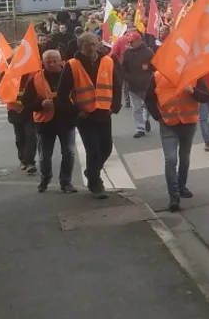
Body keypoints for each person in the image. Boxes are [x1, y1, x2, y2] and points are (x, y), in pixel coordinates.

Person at [55, 31, 122, 199]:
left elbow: (116, 85)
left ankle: (91, 172)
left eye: (93, 44)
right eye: (87, 45)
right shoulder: (72, 65)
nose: (91, 48)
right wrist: (77, 112)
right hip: (85, 116)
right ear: (81, 47)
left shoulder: (108, 61)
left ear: (98, 44)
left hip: (104, 112)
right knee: (93, 150)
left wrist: (114, 107)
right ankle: (96, 183)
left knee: (106, 147)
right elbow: (62, 95)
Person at [146, 68, 209, 212]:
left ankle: (182, 186)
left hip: (188, 123)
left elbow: (206, 96)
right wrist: (158, 116)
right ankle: (174, 196)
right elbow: (149, 98)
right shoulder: (157, 77)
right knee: (171, 159)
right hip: (168, 124)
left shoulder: (194, 75)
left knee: (184, 157)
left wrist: (194, 91)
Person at [24, 49, 78, 193]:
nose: (52, 64)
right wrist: (40, 105)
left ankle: (66, 182)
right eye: (49, 61)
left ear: (61, 60)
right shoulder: (36, 79)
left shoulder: (70, 74)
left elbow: (78, 95)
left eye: (55, 60)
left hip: (66, 121)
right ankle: (45, 177)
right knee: (44, 156)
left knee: (69, 152)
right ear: (43, 62)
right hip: (45, 123)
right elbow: (27, 102)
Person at [3, 67, 37, 175]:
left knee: (31, 135)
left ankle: (30, 162)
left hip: (30, 109)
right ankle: (23, 159)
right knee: (20, 137)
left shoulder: (34, 72)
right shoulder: (7, 74)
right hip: (15, 110)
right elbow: (0, 93)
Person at [120, 32, 154, 138]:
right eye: (128, 42)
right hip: (133, 85)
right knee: (136, 108)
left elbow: (154, 65)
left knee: (148, 106)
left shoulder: (148, 52)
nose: (129, 44)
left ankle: (145, 119)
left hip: (147, 84)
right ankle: (140, 128)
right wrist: (127, 78)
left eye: (132, 42)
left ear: (139, 41)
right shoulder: (126, 53)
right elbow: (122, 67)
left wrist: (150, 72)